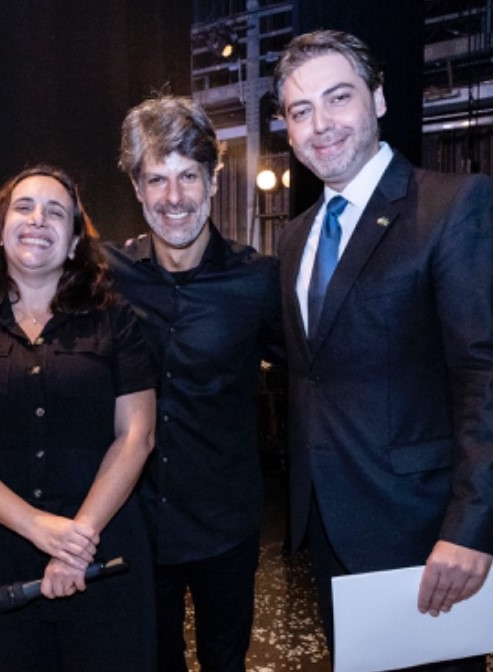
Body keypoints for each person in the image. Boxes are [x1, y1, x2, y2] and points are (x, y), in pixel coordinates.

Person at [274, 29, 493, 671]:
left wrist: (472, 530)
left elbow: (492, 377)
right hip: (329, 529)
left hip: (427, 536)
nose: (320, 124)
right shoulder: (297, 235)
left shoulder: (453, 206)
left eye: (338, 98)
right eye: (300, 111)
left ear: (379, 99)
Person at [0, 164, 158, 672]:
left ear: (75, 241)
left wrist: (75, 543)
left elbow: (136, 436)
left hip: (102, 551)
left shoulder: (115, 319)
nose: (38, 220)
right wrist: (36, 527)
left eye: (57, 212)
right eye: (24, 207)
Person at [103, 95, 284, 672]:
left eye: (187, 176)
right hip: (135, 524)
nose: (173, 198)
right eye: (156, 179)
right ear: (136, 187)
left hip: (225, 525)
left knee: (224, 662)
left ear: (213, 179)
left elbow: (318, 379)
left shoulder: (258, 282)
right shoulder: (107, 276)